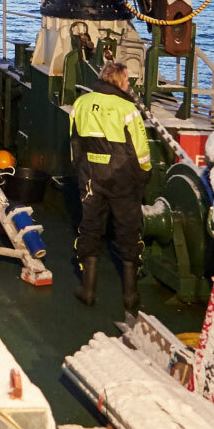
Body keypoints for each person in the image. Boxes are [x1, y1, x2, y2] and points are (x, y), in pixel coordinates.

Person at [70, 60, 152, 313]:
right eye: (126, 80)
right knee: (128, 231)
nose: (128, 84)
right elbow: (140, 148)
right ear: (118, 81)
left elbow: (75, 143)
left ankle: (88, 290)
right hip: (121, 177)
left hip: (91, 175)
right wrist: (144, 173)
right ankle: (130, 296)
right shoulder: (127, 108)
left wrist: (81, 171)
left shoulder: (80, 103)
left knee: (90, 227)